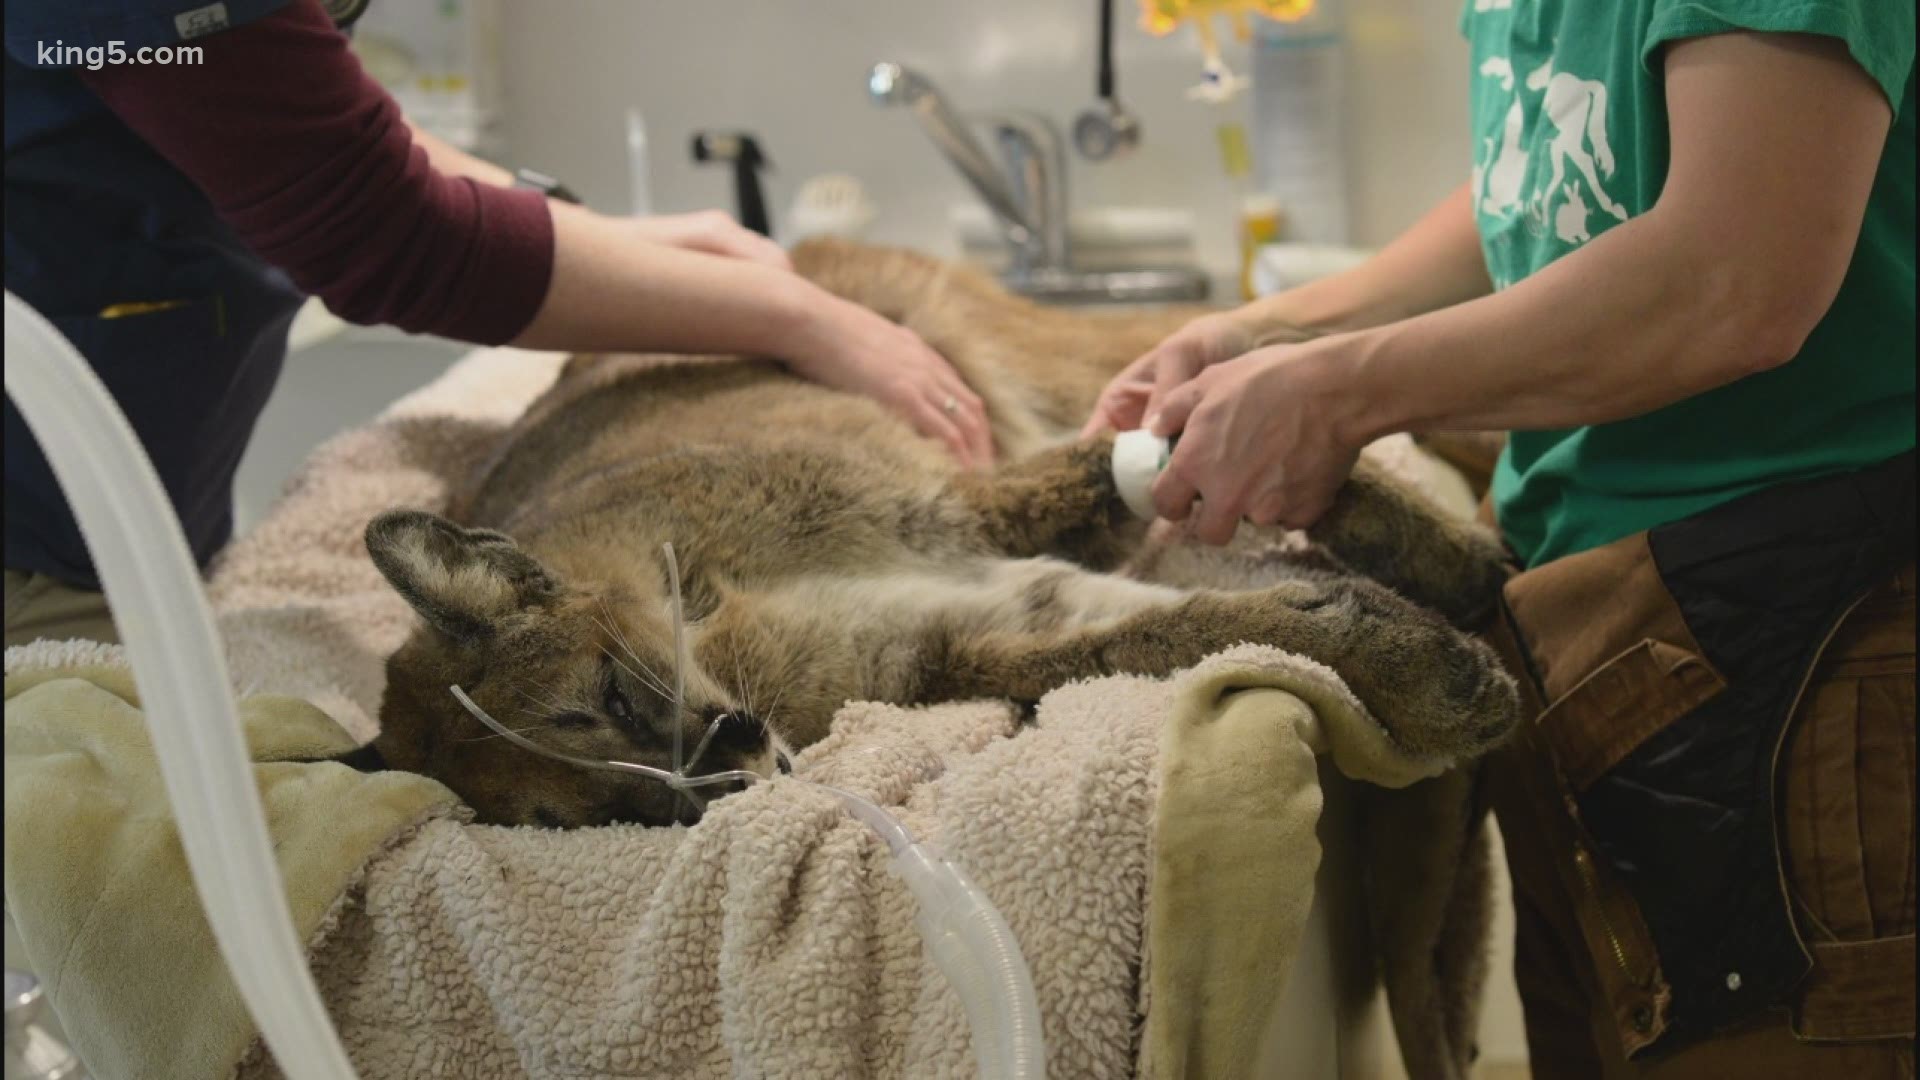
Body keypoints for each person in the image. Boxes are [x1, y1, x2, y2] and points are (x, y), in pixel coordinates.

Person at [1086, 3, 1914, 1075]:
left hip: (1805, 626)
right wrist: (1284, 331)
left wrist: (1337, 395)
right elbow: (1553, 174)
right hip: (1598, 616)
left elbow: (1736, 275)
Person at [2, 0, 994, 650]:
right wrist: (798, 317)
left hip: (120, 510)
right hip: (33, 549)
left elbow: (299, 115)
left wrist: (599, 238)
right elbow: (375, 230)